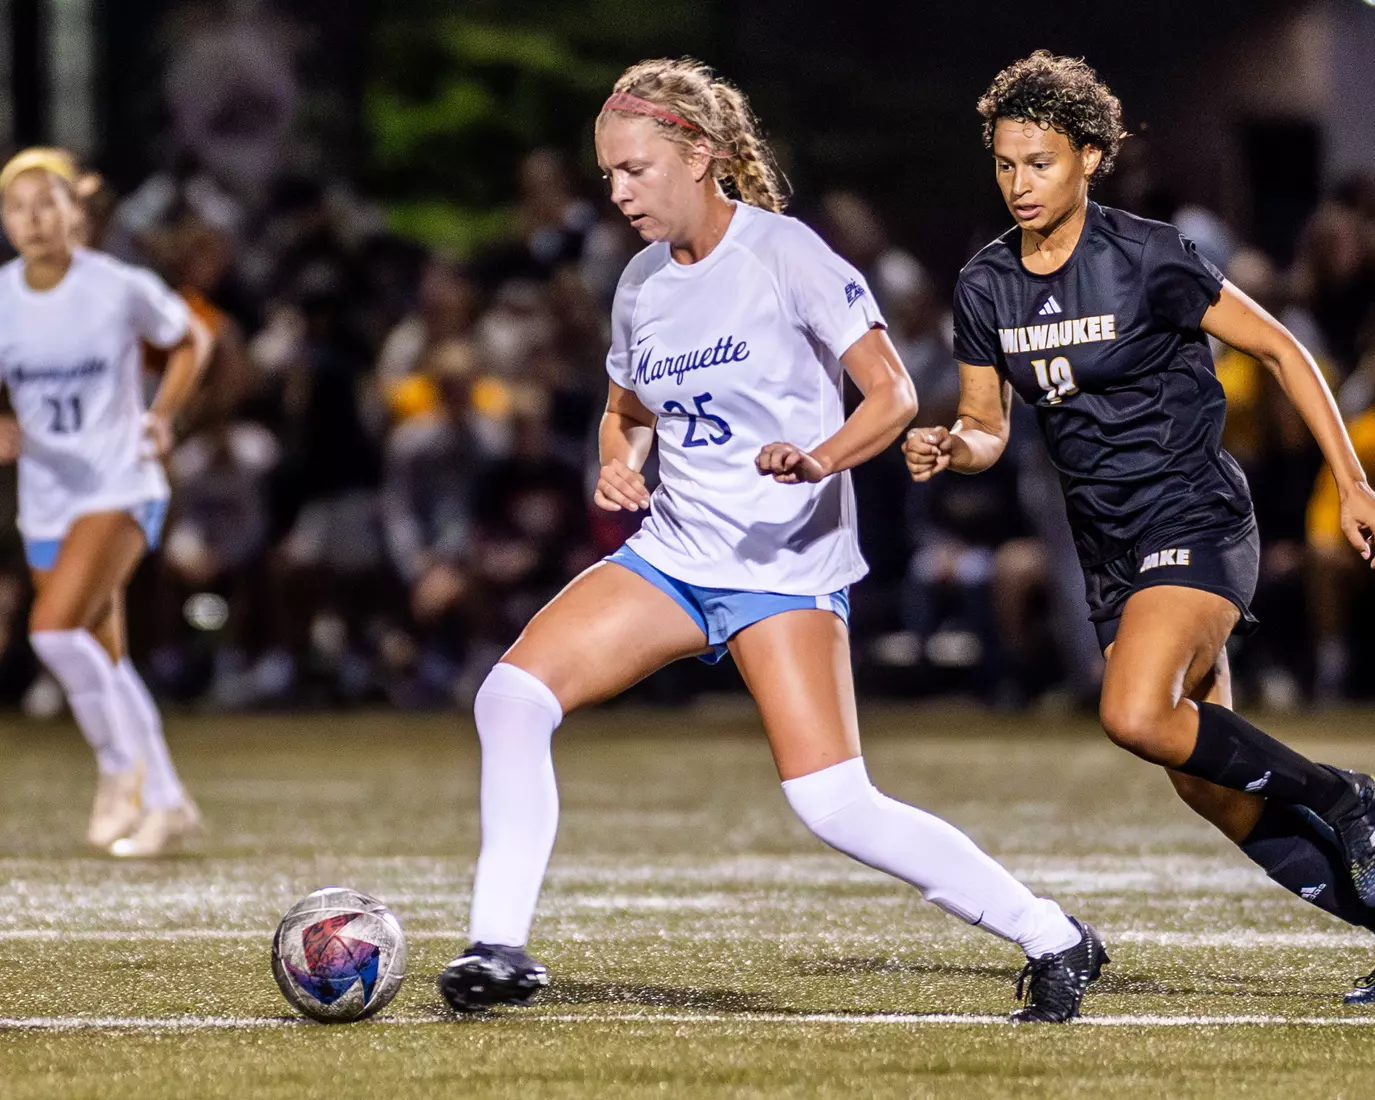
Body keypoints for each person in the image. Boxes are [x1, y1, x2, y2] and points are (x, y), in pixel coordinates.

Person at [438, 58, 1107, 1025]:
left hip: (783, 570)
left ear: (700, 156)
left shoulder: (787, 254)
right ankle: (496, 948)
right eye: (608, 176)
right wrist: (617, 458)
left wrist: (821, 458)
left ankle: (1052, 935)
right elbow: (625, 410)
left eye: (634, 170)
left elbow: (893, 395)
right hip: (672, 557)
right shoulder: (637, 285)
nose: (618, 193)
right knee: (510, 698)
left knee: (832, 802)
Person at [903, 51, 1375, 999]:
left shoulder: (1146, 255)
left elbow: (1281, 349)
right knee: (1204, 778)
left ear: (1088, 158)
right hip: (1109, 548)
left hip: (1193, 518)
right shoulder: (986, 284)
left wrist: (1352, 480)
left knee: (1130, 714)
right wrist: (954, 445)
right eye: (1003, 164)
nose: (1018, 183)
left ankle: (1345, 794)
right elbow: (991, 426)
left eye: (1038, 162)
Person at [0, 148, 213, 855]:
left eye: (46, 204)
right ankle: (166, 799)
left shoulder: (116, 286)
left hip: (120, 483)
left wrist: (163, 415)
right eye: (16, 207)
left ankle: (120, 769)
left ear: (76, 213)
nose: (32, 220)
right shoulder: (3, 296)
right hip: (47, 495)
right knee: (101, 656)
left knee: (53, 631)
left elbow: (191, 339)